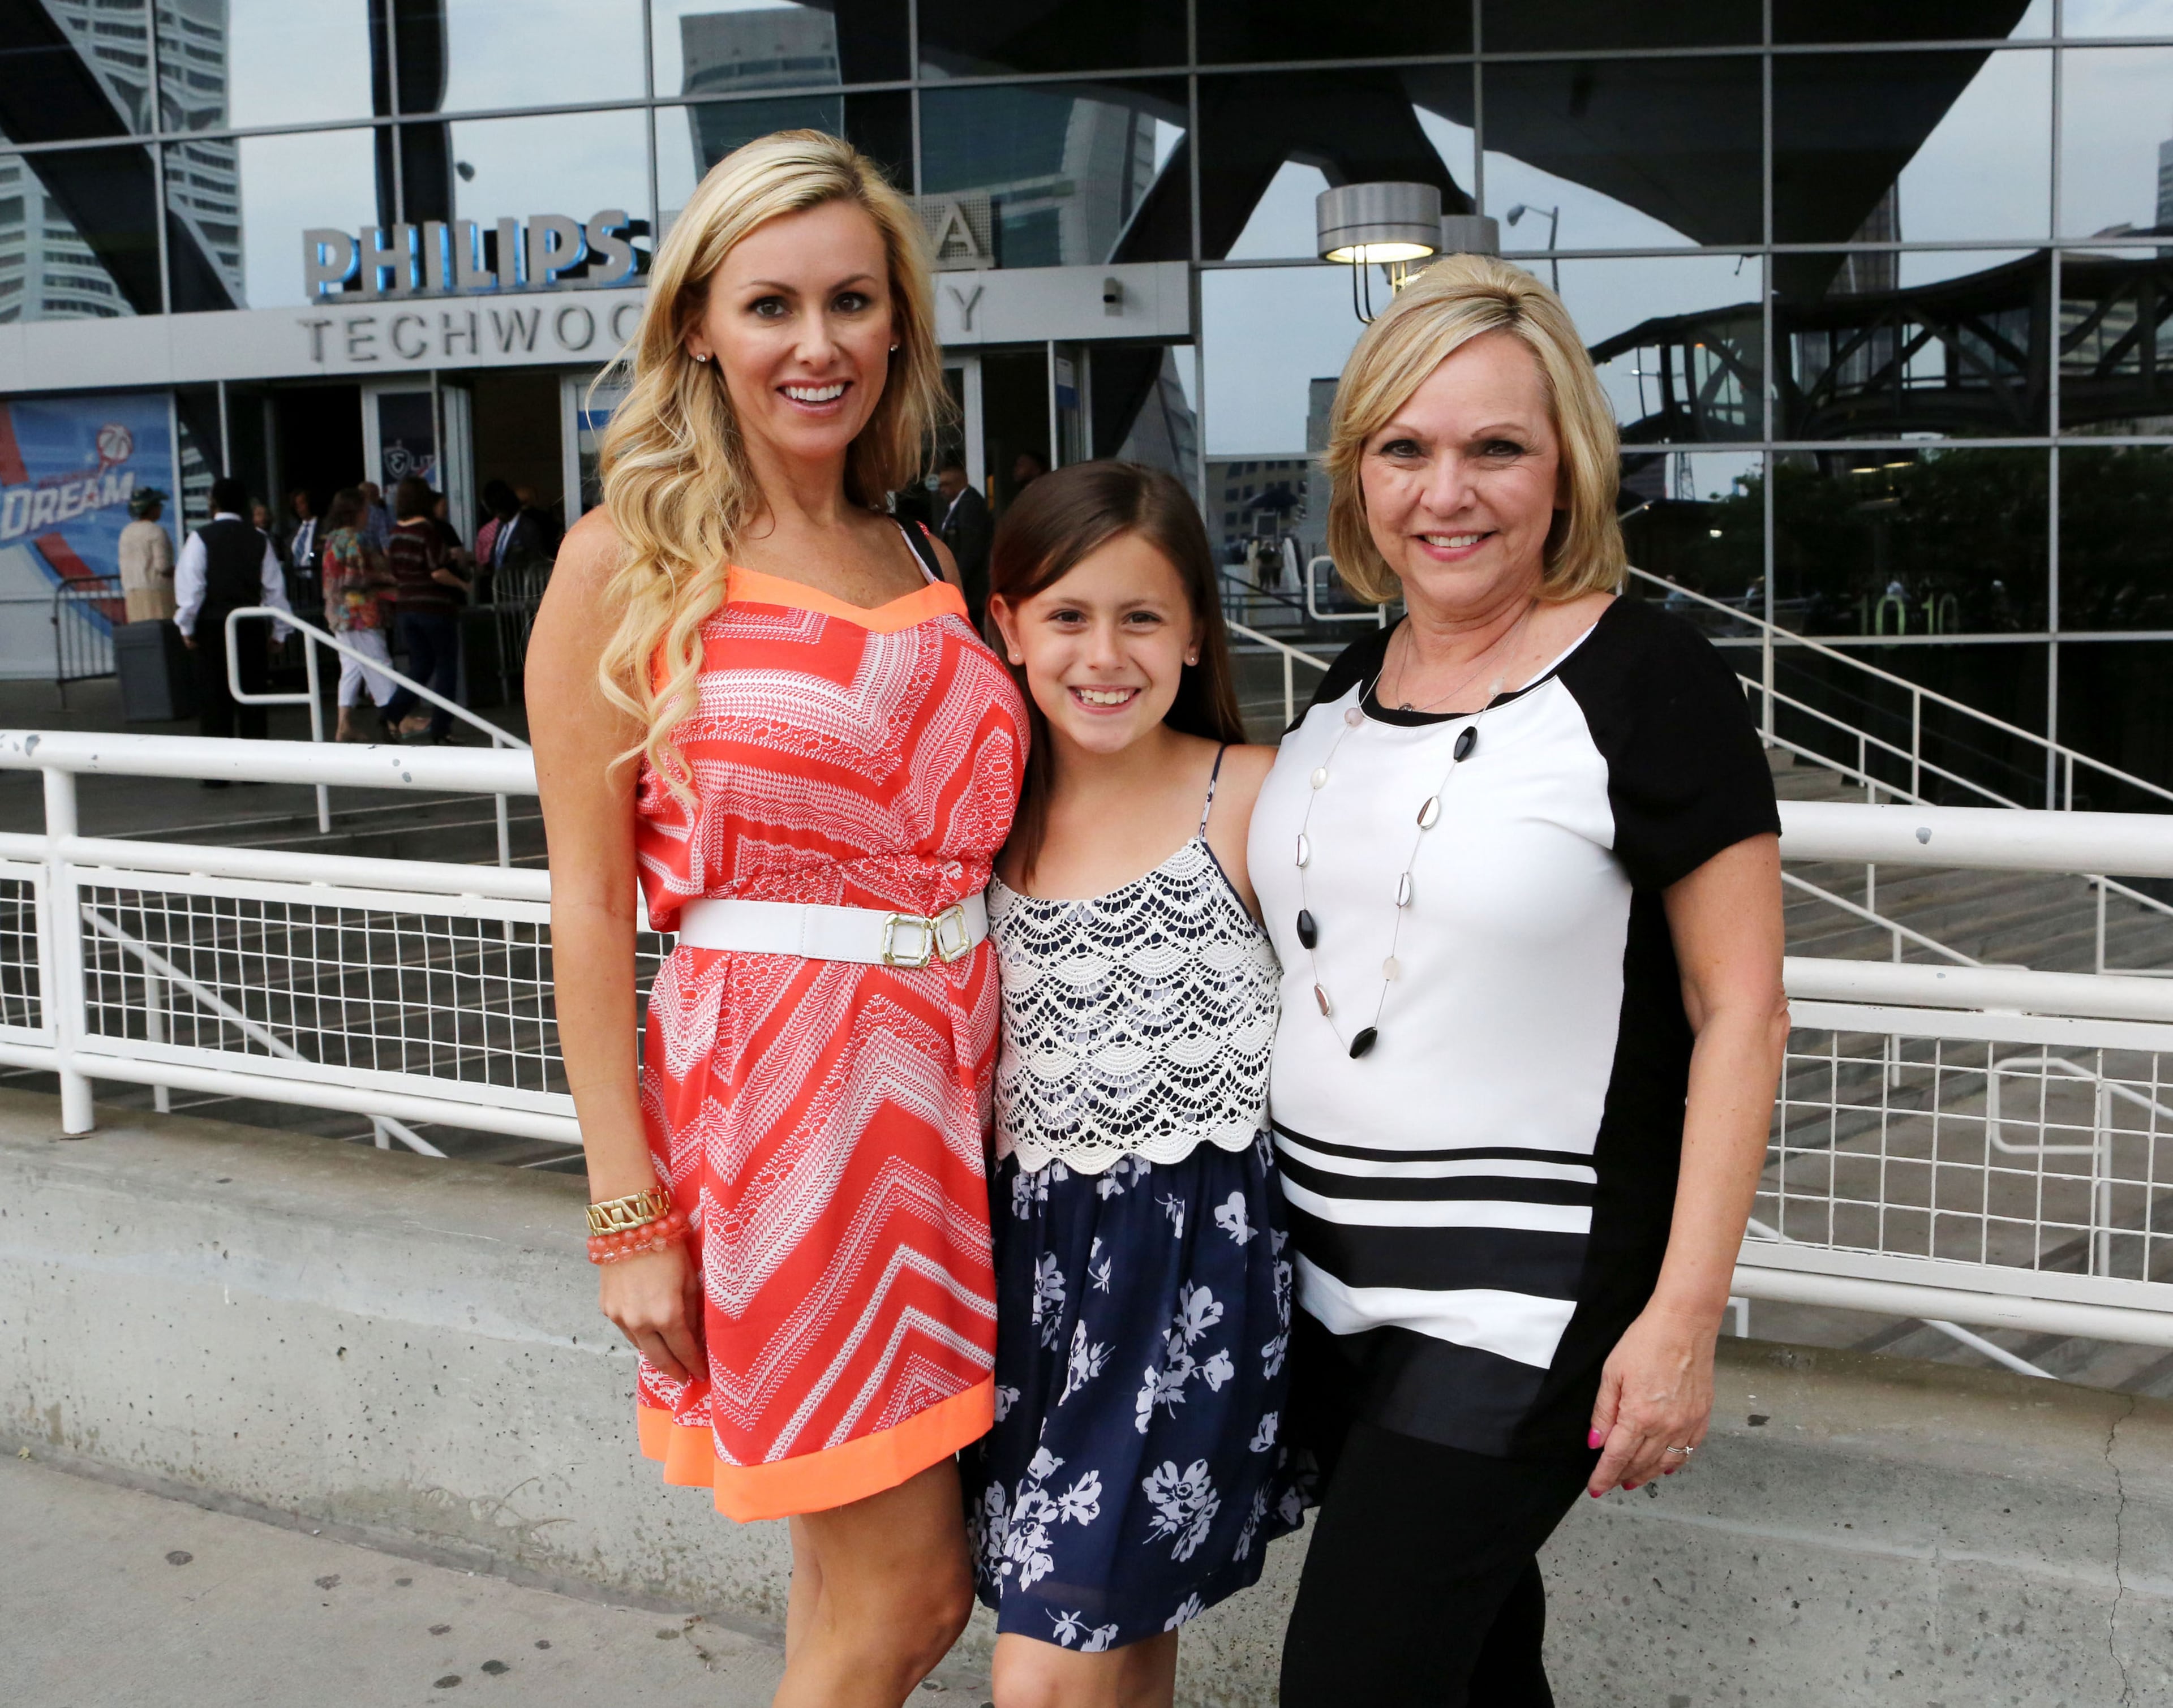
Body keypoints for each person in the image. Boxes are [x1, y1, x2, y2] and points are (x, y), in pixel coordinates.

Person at [526, 130, 1024, 1708]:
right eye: (772, 306)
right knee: (914, 1595)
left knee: (838, 1591)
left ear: (899, 328)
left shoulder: (933, 546)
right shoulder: (626, 564)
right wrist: (627, 1213)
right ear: (698, 327)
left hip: (964, 1106)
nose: (819, 345)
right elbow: (591, 909)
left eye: (854, 303)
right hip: (792, 1122)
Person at [1254, 255, 1787, 1707]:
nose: (1449, 492)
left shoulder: (1643, 678)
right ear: (1356, 473)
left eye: (1496, 447)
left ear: (1565, 470)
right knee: (1477, 1666)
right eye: (1405, 449)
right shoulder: (1333, 694)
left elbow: (1739, 1007)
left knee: (1350, 1682)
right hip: (1326, 1284)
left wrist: (1680, 1319)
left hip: (1523, 1298)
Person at [968, 461, 1299, 1707]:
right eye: (1066, 615)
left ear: (1196, 630)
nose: (1104, 654)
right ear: (1006, 625)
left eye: (1141, 616)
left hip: (1186, 1291)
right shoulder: (976, 823)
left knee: (1043, 1677)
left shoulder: (1252, 798)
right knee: (1118, 1658)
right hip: (1023, 1287)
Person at [175, 476, 295, 773]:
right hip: (250, 625)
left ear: (212, 502)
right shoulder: (259, 539)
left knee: (214, 699)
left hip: (213, 627)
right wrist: (280, 631)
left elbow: (192, 590)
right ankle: (255, 771)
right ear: (245, 505)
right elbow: (274, 591)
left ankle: (218, 774)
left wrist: (186, 627)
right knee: (252, 698)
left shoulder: (200, 538)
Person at [379, 476, 470, 744]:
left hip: (406, 607)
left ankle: (392, 713)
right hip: (434, 607)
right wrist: (463, 585)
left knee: (420, 666)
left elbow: (394, 571)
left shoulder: (395, 533)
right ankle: (441, 729)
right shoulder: (427, 531)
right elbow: (437, 571)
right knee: (446, 668)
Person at [317, 486, 400, 742]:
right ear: (357, 511)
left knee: (352, 667)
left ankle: (344, 725)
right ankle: (396, 720)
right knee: (379, 662)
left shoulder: (332, 539)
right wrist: (390, 582)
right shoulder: (356, 539)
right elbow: (358, 578)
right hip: (359, 613)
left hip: (339, 614)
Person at [934, 458, 992, 630]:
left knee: (971, 629)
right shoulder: (956, 505)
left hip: (971, 588)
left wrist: (956, 583)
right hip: (966, 587)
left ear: (959, 483)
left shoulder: (970, 505)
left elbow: (970, 549)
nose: (942, 490)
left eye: (946, 485)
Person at [117, 486, 175, 623]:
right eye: (158, 505)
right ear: (151, 508)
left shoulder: (126, 532)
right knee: (161, 637)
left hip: (132, 595)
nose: (161, 508)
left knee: (141, 638)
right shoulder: (156, 531)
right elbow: (163, 567)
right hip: (158, 595)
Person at [359, 480, 393, 551]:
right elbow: (384, 536)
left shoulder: (356, 512)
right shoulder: (379, 512)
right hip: (375, 552)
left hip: (358, 551)